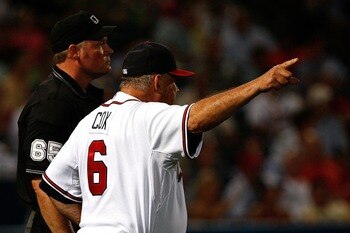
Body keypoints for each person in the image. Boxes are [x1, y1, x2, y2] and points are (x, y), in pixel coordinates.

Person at [39, 41, 299, 233]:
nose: (175, 88)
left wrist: (92, 224)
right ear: (156, 83)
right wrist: (258, 84)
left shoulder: (88, 123)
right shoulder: (149, 116)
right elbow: (196, 119)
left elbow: (51, 187)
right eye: (172, 81)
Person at [16, 10, 116, 233]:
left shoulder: (79, 95)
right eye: (99, 44)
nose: (109, 50)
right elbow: (43, 187)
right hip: (54, 225)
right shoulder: (52, 104)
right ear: (74, 51)